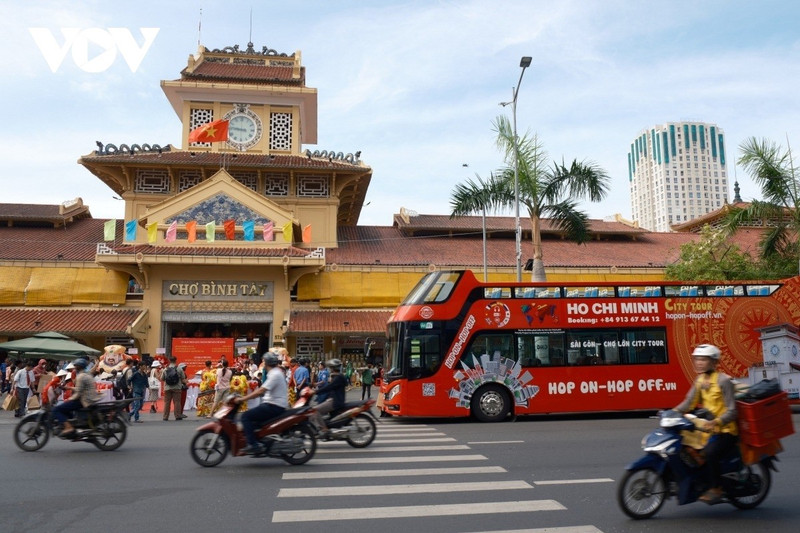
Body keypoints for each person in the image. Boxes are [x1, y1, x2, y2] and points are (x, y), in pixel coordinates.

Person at [674, 344, 738, 504]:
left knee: (710, 453)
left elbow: (732, 410)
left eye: (704, 359)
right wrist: (672, 412)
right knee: (682, 443)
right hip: (706, 429)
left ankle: (716, 488)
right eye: (697, 359)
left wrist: (716, 421)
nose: (699, 363)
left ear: (714, 362)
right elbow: (689, 402)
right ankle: (700, 480)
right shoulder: (700, 380)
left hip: (726, 431)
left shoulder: (723, 381)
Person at [233, 353, 288, 455]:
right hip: (272, 404)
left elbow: (260, 391)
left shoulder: (274, 374)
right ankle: (258, 440)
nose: (263, 364)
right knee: (253, 419)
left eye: (264, 362)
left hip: (274, 406)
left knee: (245, 416)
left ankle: (253, 445)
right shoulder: (274, 372)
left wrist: (243, 399)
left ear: (267, 363)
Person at [53, 358, 98, 437]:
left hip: (83, 400)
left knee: (56, 409)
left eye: (76, 366)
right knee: (66, 407)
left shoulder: (80, 376)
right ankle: (72, 423)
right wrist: (69, 388)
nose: (74, 367)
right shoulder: (86, 374)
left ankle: (68, 427)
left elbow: (78, 392)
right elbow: (79, 388)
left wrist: (69, 399)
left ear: (79, 367)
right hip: (88, 398)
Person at [311, 358, 348, 435]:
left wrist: (315, 392)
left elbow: (329, 387)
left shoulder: (338, 378)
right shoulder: (338, 376)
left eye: (331, 367)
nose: (330, 369)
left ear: (333, 368)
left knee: (315, 410)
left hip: (335, 401)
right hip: (332, 399)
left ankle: (324, 429)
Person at [160, 356, 186, 421]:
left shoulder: (165, 369)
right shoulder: (179, 369)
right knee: (177, 402)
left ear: (169, 360)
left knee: (167, 402)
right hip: (177, 387)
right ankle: (177, 416)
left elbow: (162, 379)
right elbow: (183, 379)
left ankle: (165, 416)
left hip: (167, 388)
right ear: (175, 360)